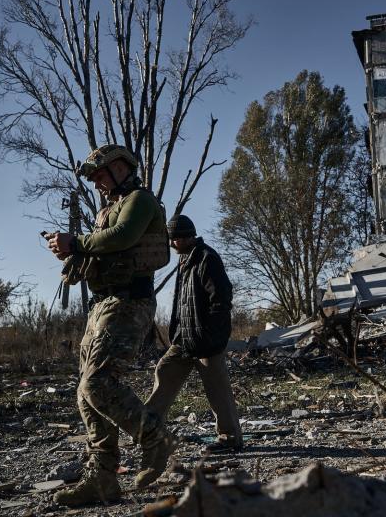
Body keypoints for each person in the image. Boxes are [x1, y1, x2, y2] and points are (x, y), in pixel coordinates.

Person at [45, 144, 176, 507]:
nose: (98, 183)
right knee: (85, 393)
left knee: (98, 383)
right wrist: (71, 251)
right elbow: (104, 245)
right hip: (103, 303)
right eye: (95, 178)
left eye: (101, 174)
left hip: (128, 303)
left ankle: (154, 437)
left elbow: (122, 237)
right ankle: (103, 479)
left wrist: (78, 242)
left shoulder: (140, 200)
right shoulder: (109, 208)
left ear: (121, 167)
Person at [145, 215, 242, 453]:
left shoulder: (206, 258)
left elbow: (222, 299)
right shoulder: (186, 259)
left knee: (218, 390)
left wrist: (213, 335)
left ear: (183, 237)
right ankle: (146, 430)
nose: (170, 244)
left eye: (173, 239)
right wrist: (177, 333)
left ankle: (230, 439)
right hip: (184, 340)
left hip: (207, 340)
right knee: (164, 373)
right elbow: (183, 303)